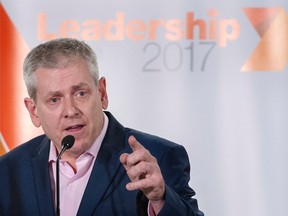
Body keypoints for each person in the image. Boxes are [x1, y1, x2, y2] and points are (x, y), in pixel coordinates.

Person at [0, 38, 204, 216]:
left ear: (102, 93)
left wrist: (161, 200)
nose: (70, 110)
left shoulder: (157, 158)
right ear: (34, 111)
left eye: (80, 93)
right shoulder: (9, 170)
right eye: (54, 99)